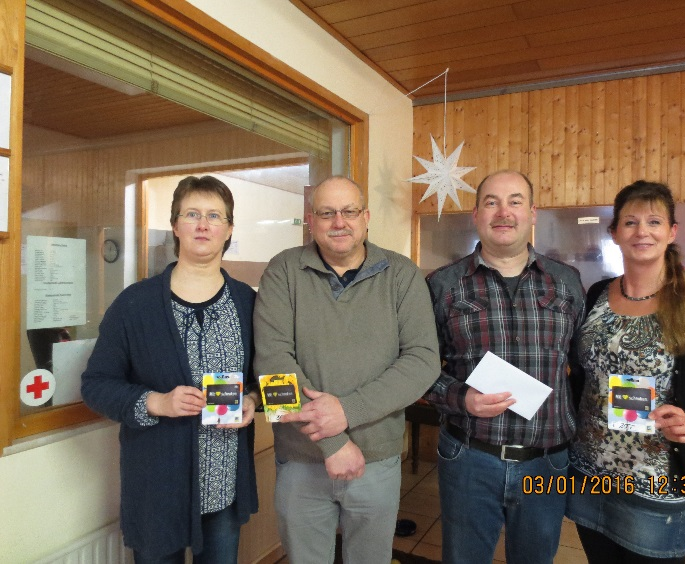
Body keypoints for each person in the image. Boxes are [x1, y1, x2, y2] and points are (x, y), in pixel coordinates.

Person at [253, 175, 440, 564]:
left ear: (366, 217)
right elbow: (273, 366)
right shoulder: (283, 271)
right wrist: (334, 442)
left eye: (349, 211)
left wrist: (347, 410)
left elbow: (423, 361)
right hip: (300, 461)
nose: (339, 221)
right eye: (327, 212)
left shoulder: (401, 274)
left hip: (377, 459)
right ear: (311, 221)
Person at [81, 176, 259, 563]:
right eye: (192, 213)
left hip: (223, 484)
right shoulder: (135, 304)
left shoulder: (248, 303)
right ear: (175, 225)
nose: (203, 224)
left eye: (215, 216)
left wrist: (251, 400)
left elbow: (263, 377)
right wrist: (155, 402)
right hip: (157, 486)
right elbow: (96, 384)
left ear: (228, 229)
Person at [566, 180, 685, 563]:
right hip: (588, 471)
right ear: (614, 234)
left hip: (657, 483)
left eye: (654, 221)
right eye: (630, 222)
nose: (642, 231)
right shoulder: (594, 295)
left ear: (671, 232)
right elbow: (581, 377)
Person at [424, 170, 585, 564]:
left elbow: (584, 366)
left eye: (515, 201)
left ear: (532, 213)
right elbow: (416, 367)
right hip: (469, 456)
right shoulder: (443, 285)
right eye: (491, 202)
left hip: (546, 461)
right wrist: (462, 398)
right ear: (476, 214)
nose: (503, 212)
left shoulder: (567, 282)